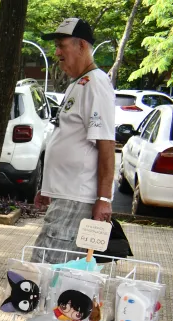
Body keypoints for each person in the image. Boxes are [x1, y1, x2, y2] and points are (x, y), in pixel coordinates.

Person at [31, 18, 115, 263]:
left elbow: (106, 145)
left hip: (77, 198)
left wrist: (104, 198)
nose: (56, 52)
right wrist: (48, 189)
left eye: (61, 45)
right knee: (54, 273)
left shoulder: (96, 84)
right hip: (65, 195)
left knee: (44, 271)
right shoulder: (79, 83)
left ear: (82, 47)